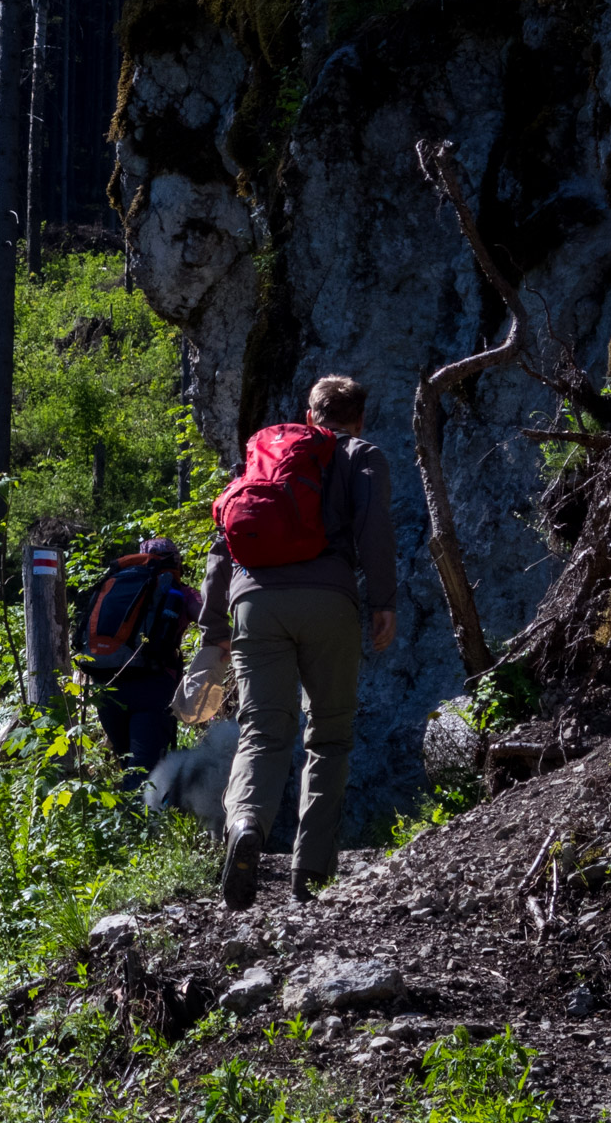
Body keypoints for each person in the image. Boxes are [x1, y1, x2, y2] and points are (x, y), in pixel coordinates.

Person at [199, 375, 398, 909]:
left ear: (310, 416)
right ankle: (310, 870)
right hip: (327, 599)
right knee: (329, 734)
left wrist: (215, 627)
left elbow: (225, 541)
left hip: (254, 602)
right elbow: (373, 526)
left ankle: (245, 825)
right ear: (359, 418)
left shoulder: (269, 453)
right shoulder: (362, 454)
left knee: (262, 729)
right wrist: (383, 601)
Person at [89, 537, 201, 793]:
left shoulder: (117, 587)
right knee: (144, 773)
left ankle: (124, 825)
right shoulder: (181, 592)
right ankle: (139, 828)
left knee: (128, 764)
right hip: (153, 686)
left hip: (107, 685)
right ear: (176, 561)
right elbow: (208, 618)